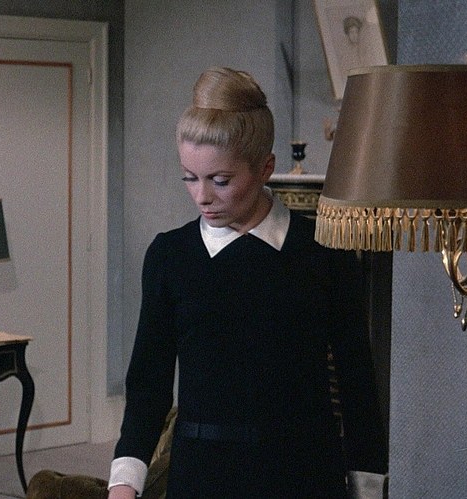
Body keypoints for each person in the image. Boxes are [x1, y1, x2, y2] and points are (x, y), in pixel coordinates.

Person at [107, 67, 387, 498]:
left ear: (265, 168)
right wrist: (124, 484)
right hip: (202, 479)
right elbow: (148, 386)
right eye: (189, 177)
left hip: (305, 477)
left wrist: (367, 487)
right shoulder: (170, 257)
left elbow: (358, 383)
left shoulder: (323, 252)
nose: (202, 196)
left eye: (220, 180)